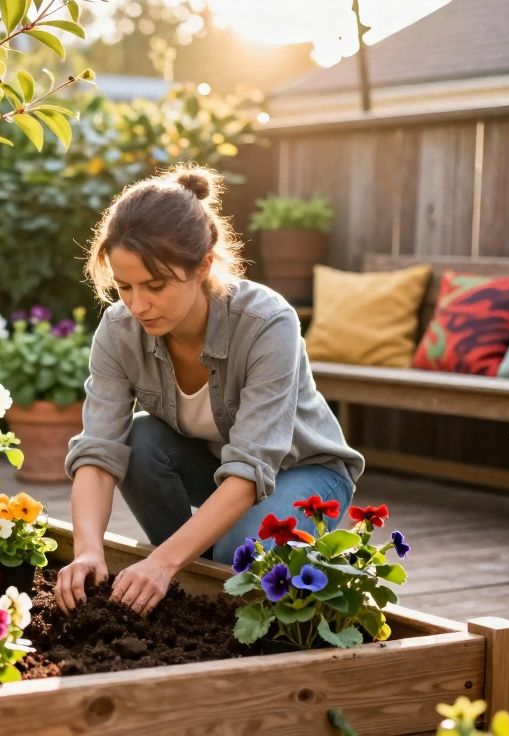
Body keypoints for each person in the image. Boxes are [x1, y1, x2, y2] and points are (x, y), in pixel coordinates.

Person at [55, 165, 365, 615]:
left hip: (303, 472)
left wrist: (160, 561)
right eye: (124, 287)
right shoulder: (120, 330)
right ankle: (182, 583)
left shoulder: (266, 324)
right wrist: (87, 550)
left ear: (202, 266)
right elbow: (99, 450)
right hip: (215, 465)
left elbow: (253, 464)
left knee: (236, 557)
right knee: (138, 441)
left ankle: (182, 570)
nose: (138, 304)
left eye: (156, 286)